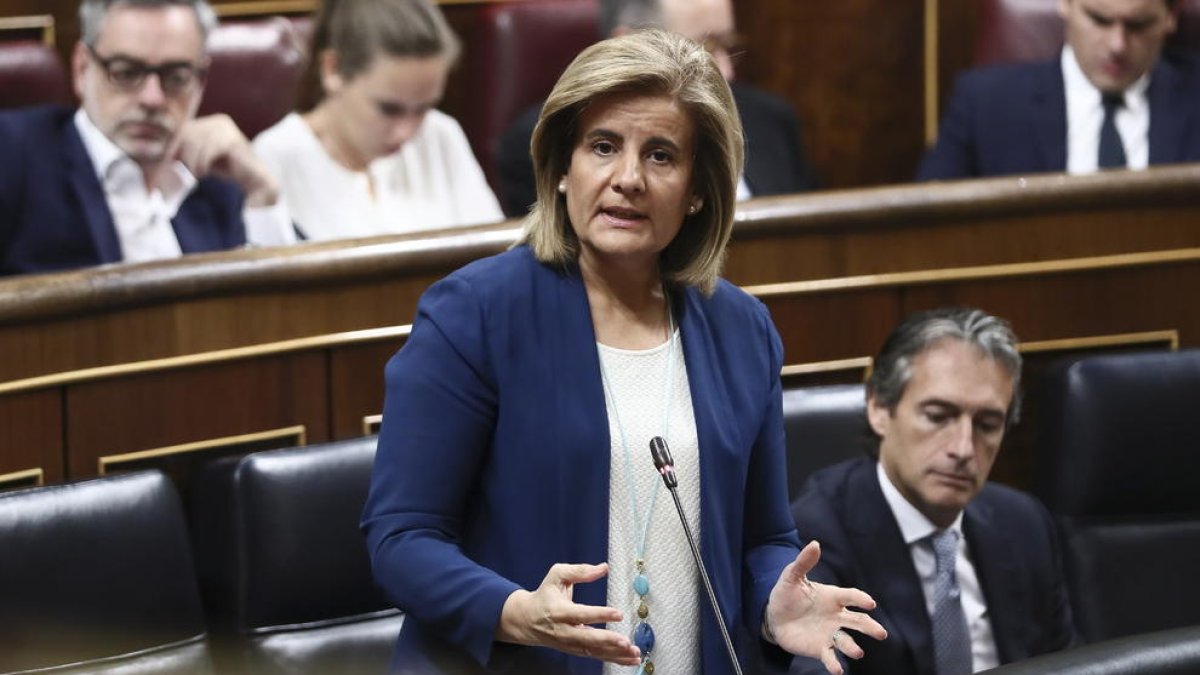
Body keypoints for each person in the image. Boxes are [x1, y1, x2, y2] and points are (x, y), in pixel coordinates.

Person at [362, 29, 886, 675]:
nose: (628, 179)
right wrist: (513, 611)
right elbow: (402, 538)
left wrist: (773, 603)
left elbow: (763, 538)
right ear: (562, 168)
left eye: (661, 155)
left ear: (698, 189)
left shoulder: (740, 329)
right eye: (603, 146)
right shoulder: (475, 314)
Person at [788, 308, 1078, 675]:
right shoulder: (816, 535)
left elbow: (1072, 666)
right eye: (938, 416)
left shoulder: (1024, 524)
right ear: (879, 407)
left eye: (987, 424)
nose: (963, 449)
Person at [0, 0, 295, 277]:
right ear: (82, 68)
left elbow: (277, 308)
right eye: (126, 73)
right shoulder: (13, 154)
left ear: (201, 81)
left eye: (176, 77)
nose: (152, 98)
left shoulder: (219, 179)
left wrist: (263, 195)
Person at [495, 0, 818, 218]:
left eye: (727, 45)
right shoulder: (546, 138)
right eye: (704, 49)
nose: (727, 71)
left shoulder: (772, 118)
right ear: (630, 43)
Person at [253, 0, 503, 241]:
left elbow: (496, 252)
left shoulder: (440, 133)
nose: (406, 132)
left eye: (424, 108)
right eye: (389, 109)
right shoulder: (273, 159)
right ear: (333, 69)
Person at [918, 0, 1200, 180]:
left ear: (1170, 17)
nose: (1117, 45)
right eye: (1099, 20)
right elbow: (931, 226)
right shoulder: (985, 103)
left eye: (1138, 25)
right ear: (1066, 3)